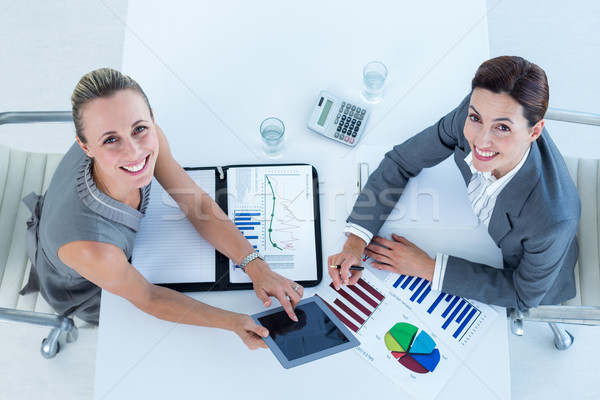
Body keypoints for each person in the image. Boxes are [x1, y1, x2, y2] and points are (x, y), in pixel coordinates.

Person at [21, 68, 304, 350]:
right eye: (110, 140)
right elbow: (148, 297)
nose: (133, 152)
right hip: (85, 286)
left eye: (139, 129)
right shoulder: (93, 250)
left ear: (152, 118)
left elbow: (195, 203)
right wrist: (234, 322)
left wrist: (256, 266)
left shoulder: (148, 137)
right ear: (85, 147)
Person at [328, 56, 580, 312]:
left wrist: (427, 267)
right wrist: (355, 242)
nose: (481, 141)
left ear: (534, 132)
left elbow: (523, 295)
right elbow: (401, 161)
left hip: (529, 271)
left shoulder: (552, 224)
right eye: (476, 119)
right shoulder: (475, 113)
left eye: (502, 128)